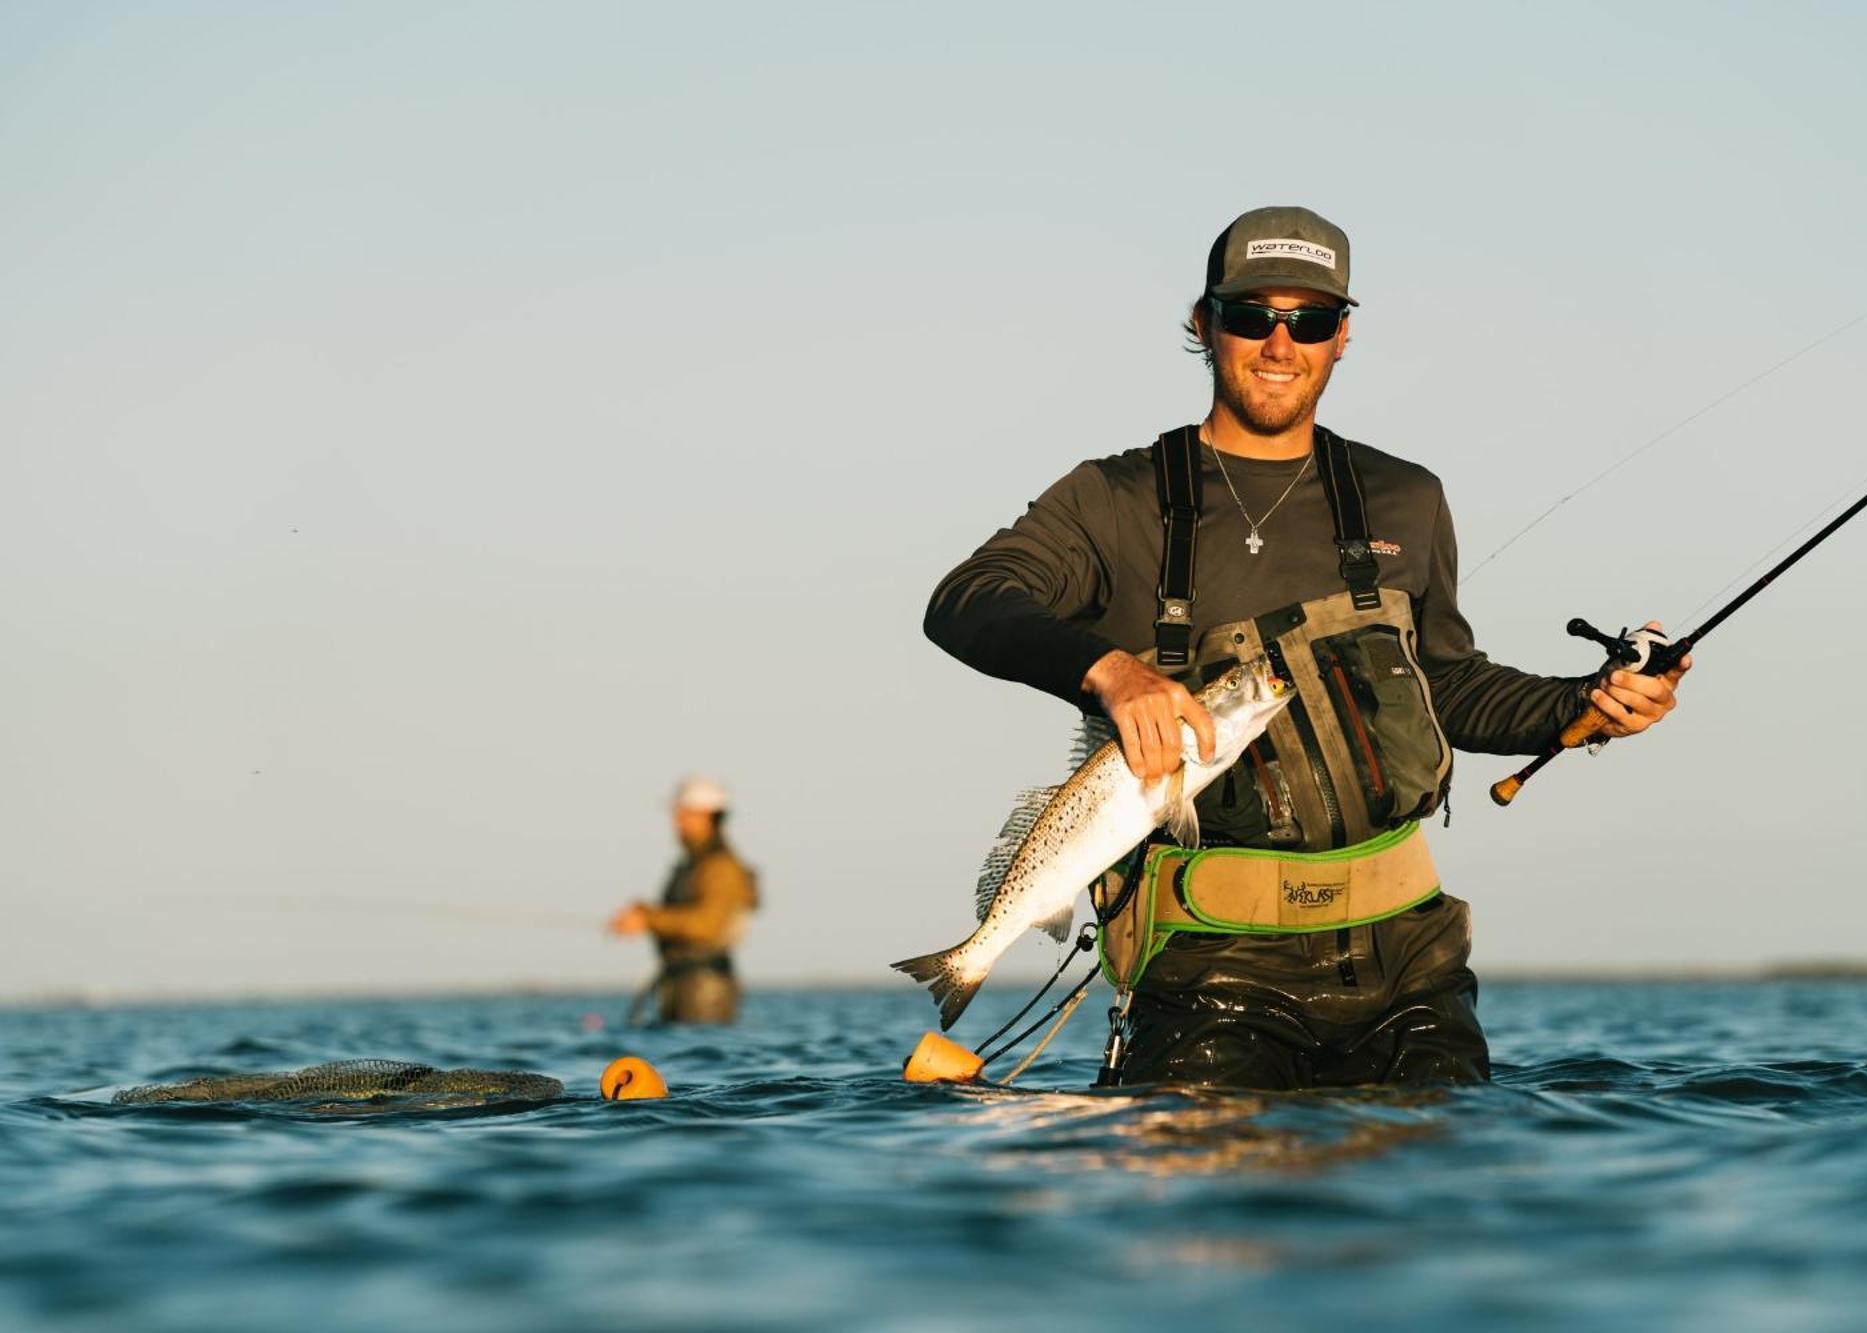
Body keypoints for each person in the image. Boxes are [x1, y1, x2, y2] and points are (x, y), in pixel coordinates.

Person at [922, 205, 1687, 1090]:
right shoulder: (1116, 498)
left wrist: (1585, 709)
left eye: (1310, 320)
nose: (1280, 342)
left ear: (1341, 338)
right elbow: (964, 601)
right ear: (1204, 324)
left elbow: (1449, 684)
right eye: (1253, 316)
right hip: (1208, 969)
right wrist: (1110, 670)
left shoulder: (1406, 496)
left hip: (1411, 963)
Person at [608, 776, 758, 1025]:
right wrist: (644, 915)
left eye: (684, 813)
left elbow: (705, 925)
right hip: (683, 982)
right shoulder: (695, 864)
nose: (676, 821)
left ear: (708, 816)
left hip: (705, 987)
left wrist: (648, 919)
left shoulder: (721, 866)